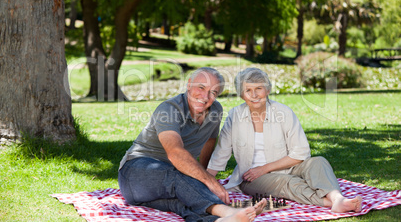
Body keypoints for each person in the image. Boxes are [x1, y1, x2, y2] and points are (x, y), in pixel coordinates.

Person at [118, 67, 267, 222]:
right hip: (135, 175)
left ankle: (221, 220)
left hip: (159, 191)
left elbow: (210, 141)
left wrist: (205, 175)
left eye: (213, 92)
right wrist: (209, 182)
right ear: (189, 85)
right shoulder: (169, 109)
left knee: (186, 204)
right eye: (201, 87)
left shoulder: (215, 111)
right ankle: (227, 211)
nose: (205, 96)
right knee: (179, 176)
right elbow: (175, 153)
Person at [207, 68, 362, 213]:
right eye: (248, 90)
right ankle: (329, 203)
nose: (254, 95)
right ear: (242, 95)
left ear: (267, 90)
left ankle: (338, 198)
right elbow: (221, 153)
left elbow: (301, 152)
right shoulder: (235, 116)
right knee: (286, 182)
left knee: (319, 162)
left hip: (289, 168)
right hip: (252, 178)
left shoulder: (283, 112)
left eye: (259, 88)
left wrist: (265, 168)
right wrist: (205, 182)